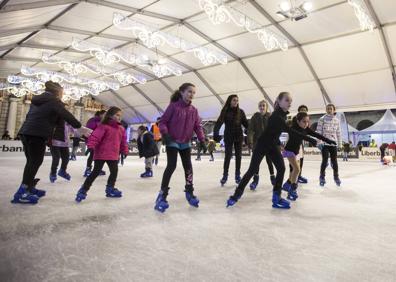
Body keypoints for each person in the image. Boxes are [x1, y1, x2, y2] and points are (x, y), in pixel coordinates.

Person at [226, 92, 317, 209]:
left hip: (273, 145)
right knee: (252, 170)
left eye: (290, 101)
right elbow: (290, 131)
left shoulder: (282, 115)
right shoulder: (276, 116)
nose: (290, 103)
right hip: (262, 144)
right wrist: (312, 140)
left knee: (281, 168)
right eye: (287, 100)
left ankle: (276, 197)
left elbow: (275, 132)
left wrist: (279, 144)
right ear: (279, 101)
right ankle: (235, 195)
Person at [12, 81, 87, 204]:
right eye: (62, 92)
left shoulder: (38, 101)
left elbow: (34, 117)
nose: (63, 95)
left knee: (31, 162)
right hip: (37, 134)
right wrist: (79, 127)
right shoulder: (54, 101)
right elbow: (66, 115)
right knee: (35, 162)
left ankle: (29, 187)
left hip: (26, 132)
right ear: (58, 92)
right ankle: (22, 193)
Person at [154, 82, 205, 213]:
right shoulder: (173, 107)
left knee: (188, 166)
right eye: (189, 92)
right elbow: (162, 122)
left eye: (193, 93)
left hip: (185, 142)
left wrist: (202, 140)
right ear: (182, 92)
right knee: (171, 165)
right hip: (173, 140)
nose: (191, 95)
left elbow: (197, 126)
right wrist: (165, 134)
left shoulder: (194, 110)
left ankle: (189, 192)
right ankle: (162, 195)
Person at [75, 106, 129, 202]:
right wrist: (91, 145)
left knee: (114, 172)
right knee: (95, 172)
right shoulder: (103, 126)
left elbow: (123, 141)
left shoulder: (121, 129)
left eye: (120, 115)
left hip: (113, 155)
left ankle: (110, 189)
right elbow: (96, 137)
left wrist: (125, 150)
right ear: (110, 115)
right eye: (117, 115)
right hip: (101, 153)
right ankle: (83, 190)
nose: (119, 117)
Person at [282, 112, 336, 201]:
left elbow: (316, 135)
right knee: (297, 169)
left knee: (294, 170)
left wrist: (329, 141)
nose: (306, 124)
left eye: (307, 122)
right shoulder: (293, 128)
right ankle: (292, 189)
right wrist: (314, 142)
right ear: (298, 121)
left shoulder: (305, 128)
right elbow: (303, 136)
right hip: (289, 151)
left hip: (296, 151)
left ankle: (287, 185)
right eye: (304, 122)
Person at [213, 95, 248, 186]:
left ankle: (237, 175)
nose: (236, 102)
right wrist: (215, 133)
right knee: (228, 156)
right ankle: (225, 175)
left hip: (239, 136)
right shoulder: (225, 111)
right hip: (228, 136)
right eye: (234, 100)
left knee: (239, 156)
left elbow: (246, 124)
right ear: (230, 101)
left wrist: (250, 131)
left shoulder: (240, 112)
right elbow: (219, 122)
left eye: (237, 100)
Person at [247, 100, 275, 190]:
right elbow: (250, 130)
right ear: (258, 107)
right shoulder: (255, 117)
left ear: (266, 107)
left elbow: (274, 131)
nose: (262, 107)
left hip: (268, 144)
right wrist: (250, 141)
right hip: (258, 144)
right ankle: (255, 180)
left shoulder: (270, 117)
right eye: (260, 106)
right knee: (256, 163)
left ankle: (273, 178)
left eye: (263, 106)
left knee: (269, 161)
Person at [316, 104, 342, 186]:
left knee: (334, 161)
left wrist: (340, 144)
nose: (329, 110)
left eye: (331, 109)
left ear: (334, 110)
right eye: (327, 109)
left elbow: (338, 133)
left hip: (333, 144)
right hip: (324, 143)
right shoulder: (322, 119)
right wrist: (319, 142)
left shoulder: (337, 121)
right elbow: (319, 131)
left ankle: (336, 176)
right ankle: (322, 176)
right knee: (325, 160)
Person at [84, 110, 106, 177]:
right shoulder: (93, 121)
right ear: (100, 114)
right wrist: (90, 141)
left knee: (99, 156)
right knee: (92, 155)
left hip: (100, 142)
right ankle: (88, 169)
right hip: (92, 141)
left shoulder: (103, 122)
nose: (105, 116)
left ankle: (97, 169)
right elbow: (88, 131)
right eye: (104, 114)